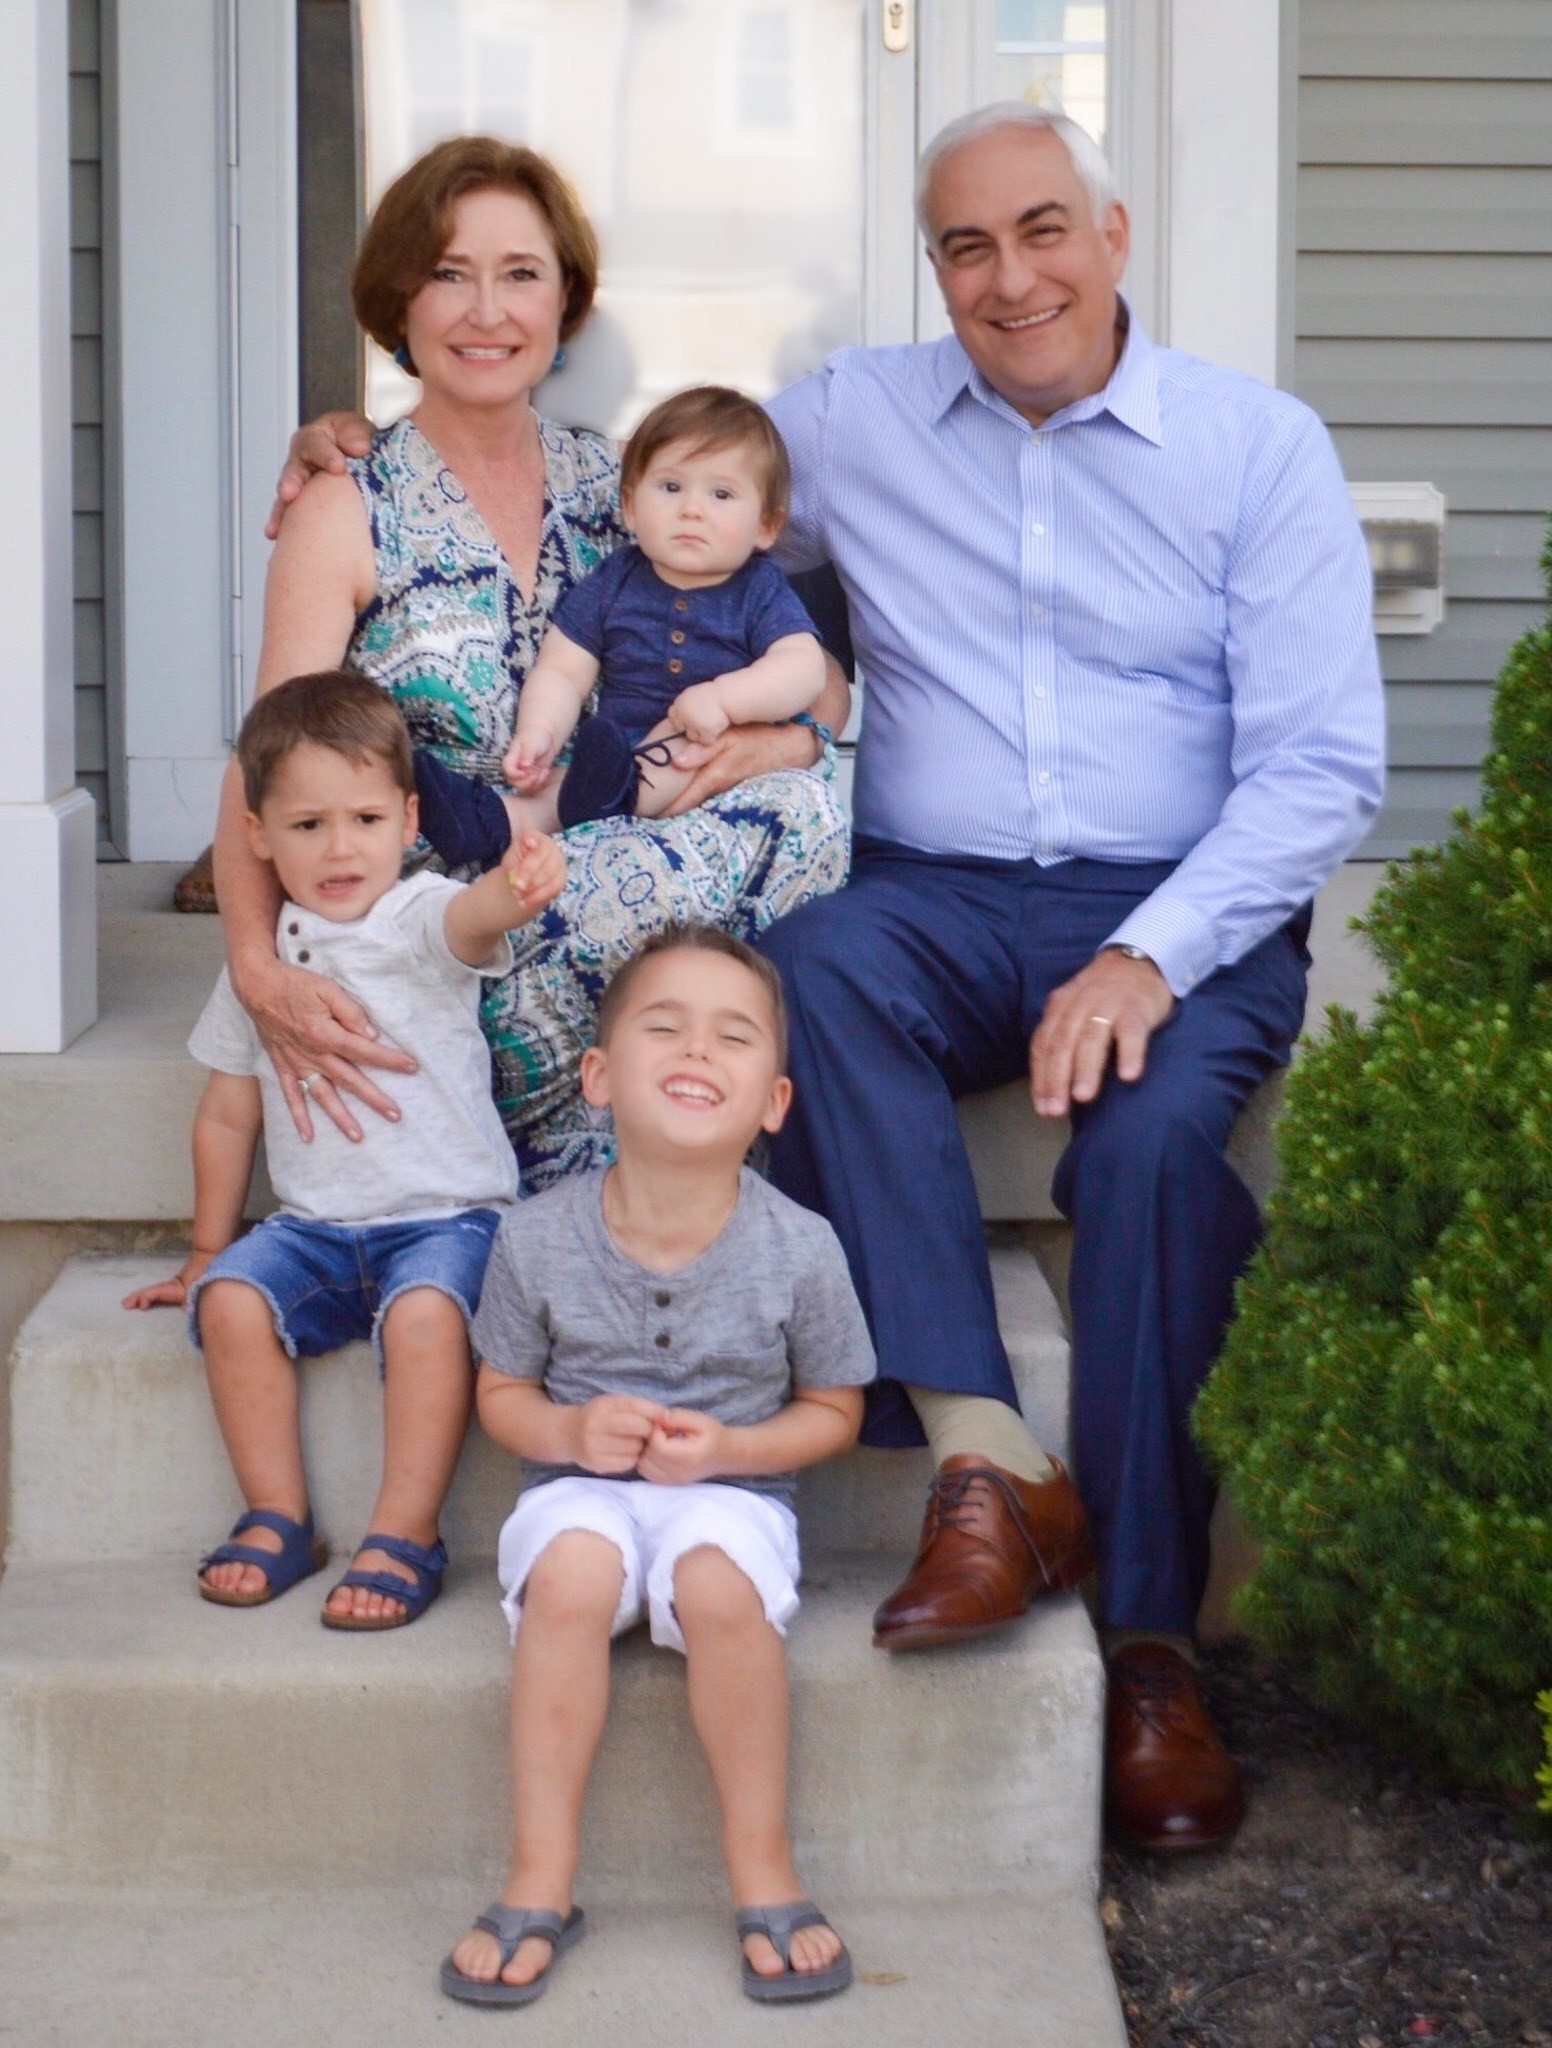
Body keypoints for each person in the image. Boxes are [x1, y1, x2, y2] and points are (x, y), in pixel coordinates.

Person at [754, 104, 1385, 1851]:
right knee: (810, 965)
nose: (1008, 276)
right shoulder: (852, 420)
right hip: (935, 895)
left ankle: (1151, 1647)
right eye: (966, 246)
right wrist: (389, 451)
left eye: (1042, 230)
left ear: (1112, 234)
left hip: (1182, 903)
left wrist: (1147, 950)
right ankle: (992, 1454)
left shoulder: (1254, 448)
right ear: (933, 268)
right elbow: (652, 492)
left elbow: (1322, 766)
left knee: (1155, 1154)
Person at [221, 135, 848, 1208]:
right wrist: (254, 965)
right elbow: (267, 765)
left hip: (629, 859)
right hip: (455, 925)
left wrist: (779, 738)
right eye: (449, 274)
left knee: (814, 808)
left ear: (564, 306)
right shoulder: (347, 503)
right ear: (399, 304)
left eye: (521, 275)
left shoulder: (618, 480)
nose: (486, 311)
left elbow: (816, 686)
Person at [440, 926, 874, 2007]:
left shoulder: (802, 1246)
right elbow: (500, 1394)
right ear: (597, 1077)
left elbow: (834, 1409)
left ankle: (762, 1865)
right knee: (573, 1576)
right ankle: (540, 1875)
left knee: (721, 1589)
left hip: (732, 1492)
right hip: (577, 1487)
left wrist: (732, 1448)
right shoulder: (535, 1239)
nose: (697, 1048)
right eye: (663, 1025)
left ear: (772, 1101)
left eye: (732, 1036)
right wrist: (569, 1435)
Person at [125, 673, 567, 1626]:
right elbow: (227, 1115)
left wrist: (513, 888)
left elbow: (470, 920)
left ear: (409, 821)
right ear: (255, 834)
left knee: (424, 1321)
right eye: (308, 824)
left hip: (448, 1222)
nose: (339, 848)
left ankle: (405, 1531)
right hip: (316, 1229)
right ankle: (278, 1515)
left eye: (365, 818)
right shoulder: (264, 970)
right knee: (234, 1302)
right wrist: (207, 1252)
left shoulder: (412, 915)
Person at [413, 384, 827, 857]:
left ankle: (600, 800)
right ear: (630, 506)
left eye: (721, 493)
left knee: (671, 747)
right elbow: (564, 671)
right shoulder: (615, 579)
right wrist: (540, 731)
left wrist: (725, 700)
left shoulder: (759, 589)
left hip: (708, 757)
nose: (692, 509)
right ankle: (489, 820)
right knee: (562, 788)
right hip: (611, 762)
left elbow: (803, 668)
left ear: (766, 526)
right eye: (671, 487)